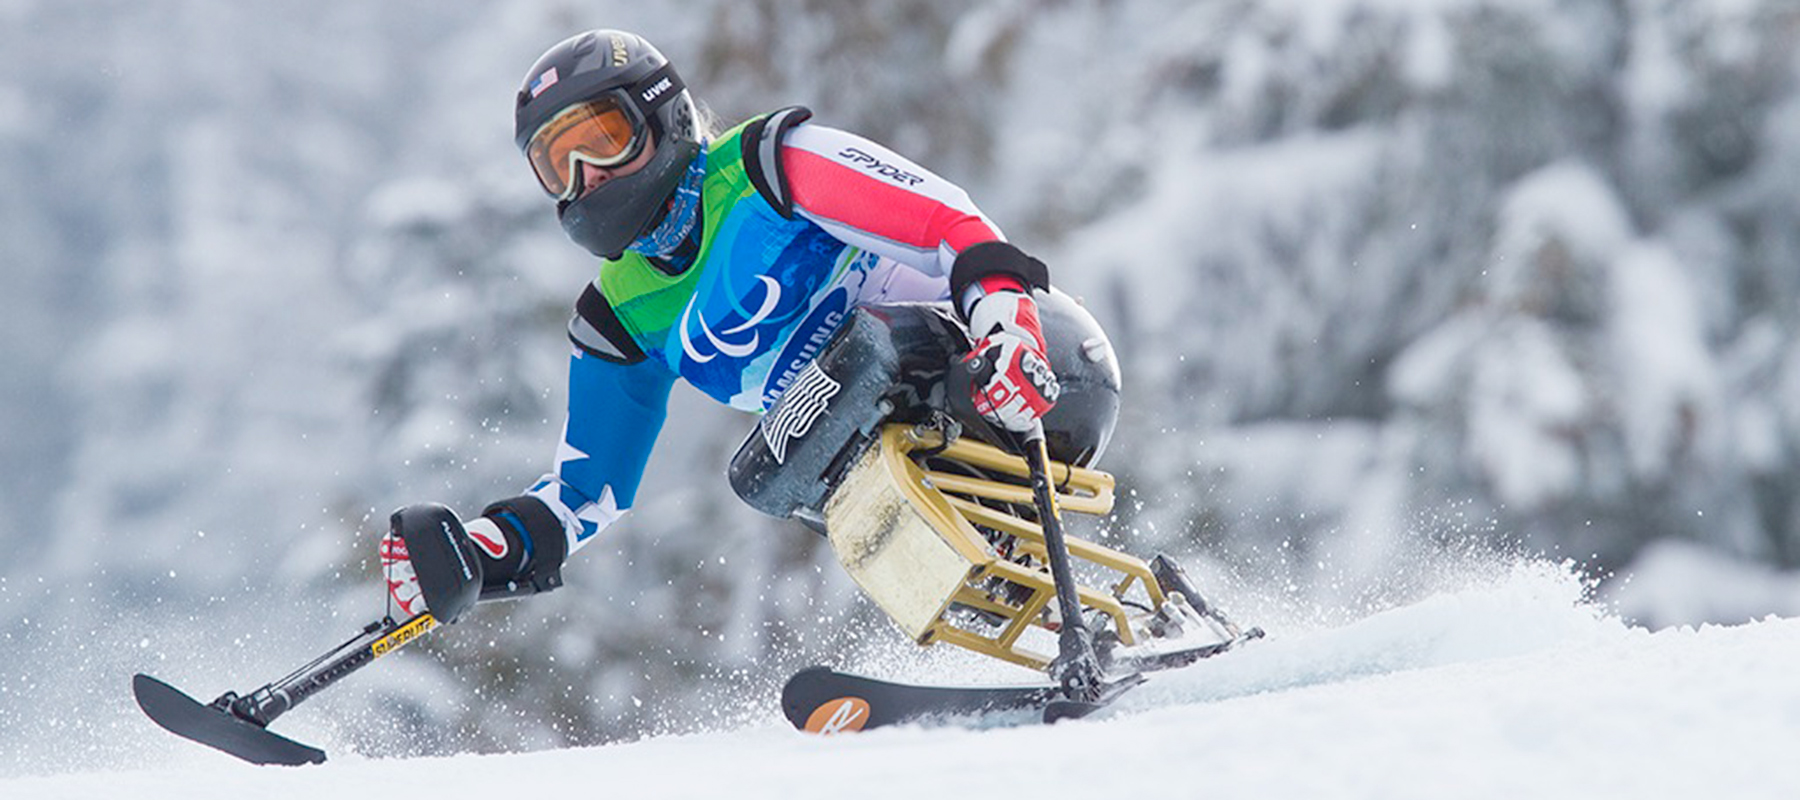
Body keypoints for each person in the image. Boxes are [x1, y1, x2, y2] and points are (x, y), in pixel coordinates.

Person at [380, 29, 1064, 625]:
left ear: (664, 115)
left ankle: (1005, 547)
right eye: (559, 167)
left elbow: (948, 225)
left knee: (854, 361)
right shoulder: (620, 314)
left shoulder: (767, 166)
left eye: (604, 141)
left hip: (1022, 370)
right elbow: (587, 491)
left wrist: (1008, 329)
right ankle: (1007, 604)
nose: (587, 178)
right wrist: (484, 548)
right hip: (900, 462)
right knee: (763, 471)